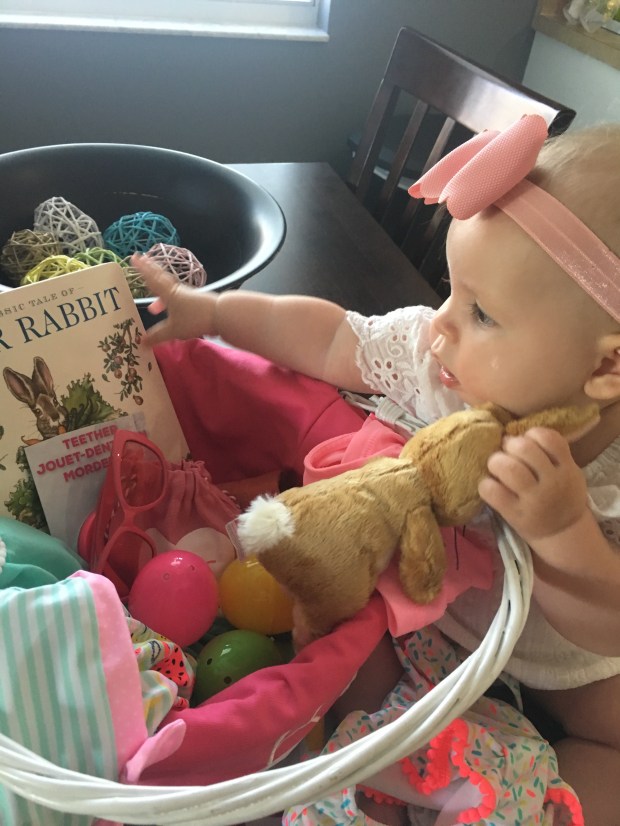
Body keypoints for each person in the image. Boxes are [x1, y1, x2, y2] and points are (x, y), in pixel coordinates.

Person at [131, 116, 620, 826]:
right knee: (348, 660)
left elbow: (605, 627)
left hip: (563, 661)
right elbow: (330, 336)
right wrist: (212, 313)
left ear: (607, 365)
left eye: (482, 313)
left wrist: (563, 530)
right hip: (434, 622)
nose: (440, 322)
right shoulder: (438, 364)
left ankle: (545, 800)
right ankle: (387, 779)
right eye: (451, 289)